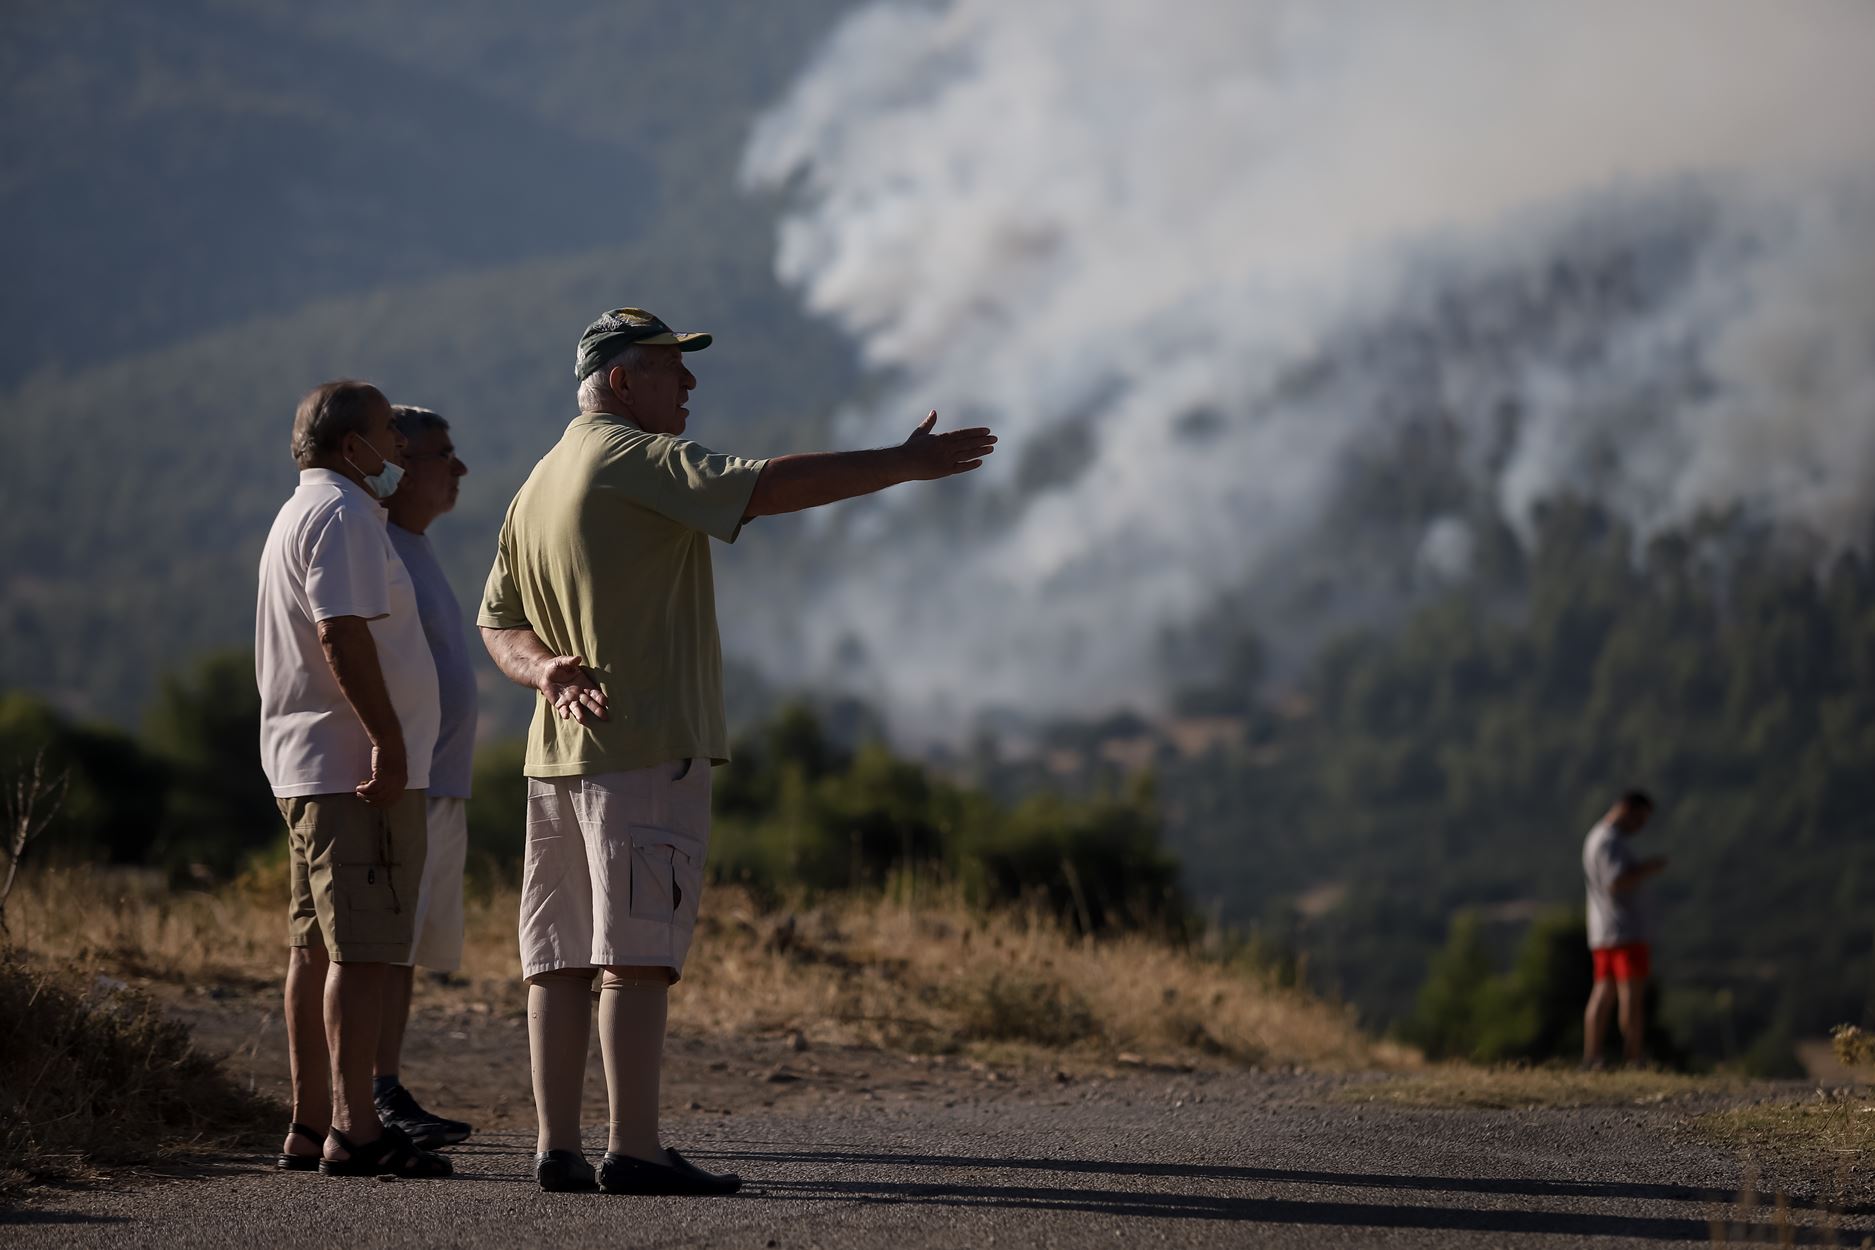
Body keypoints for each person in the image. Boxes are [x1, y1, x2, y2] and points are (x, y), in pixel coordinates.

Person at [478, 306, 995, 1194]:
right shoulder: (628, 456)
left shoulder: (537, 482)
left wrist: (545, 674)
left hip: (554, 758)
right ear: (617, 382)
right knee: (636, 954)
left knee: (557, 957)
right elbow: (759, 486)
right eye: (669, 368)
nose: (687, 384)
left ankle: (556, 1148)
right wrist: (900, 464)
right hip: (641, 746)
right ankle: (634, 1151)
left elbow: (499, 623)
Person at [256, 380, 450, 1177]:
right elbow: (340, 634)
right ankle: (355, 1130)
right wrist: (389, 744)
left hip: (312, 766)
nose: (399, 447)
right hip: (353, 772)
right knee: (362, 953)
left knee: (314, 949)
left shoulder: (304, 510)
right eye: (384, 433)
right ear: (349, 448)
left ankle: (310, 1125)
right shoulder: (339, 516)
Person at [369, 404, 477, 1149]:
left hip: (435, 784)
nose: (459, 468)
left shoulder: (411, 544)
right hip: (403, 782)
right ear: (400, 461)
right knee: (378, 945)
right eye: (444, 454)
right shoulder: (375, 546)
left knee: (401, 949)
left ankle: (385, 1086)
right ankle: (371, 1097)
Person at [1582, 789, 1665, 1068]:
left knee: (1602, 993)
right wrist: (1647, 869)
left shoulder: (1596, 837)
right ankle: (1633, 1056)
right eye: (1639, 819)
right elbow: (1616, 881)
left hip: (1603, 930)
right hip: (1624, 930)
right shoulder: (1609, 841)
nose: (1640, 827)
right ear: (1627, 810)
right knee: (1630, 996)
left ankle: (1593, 1055)